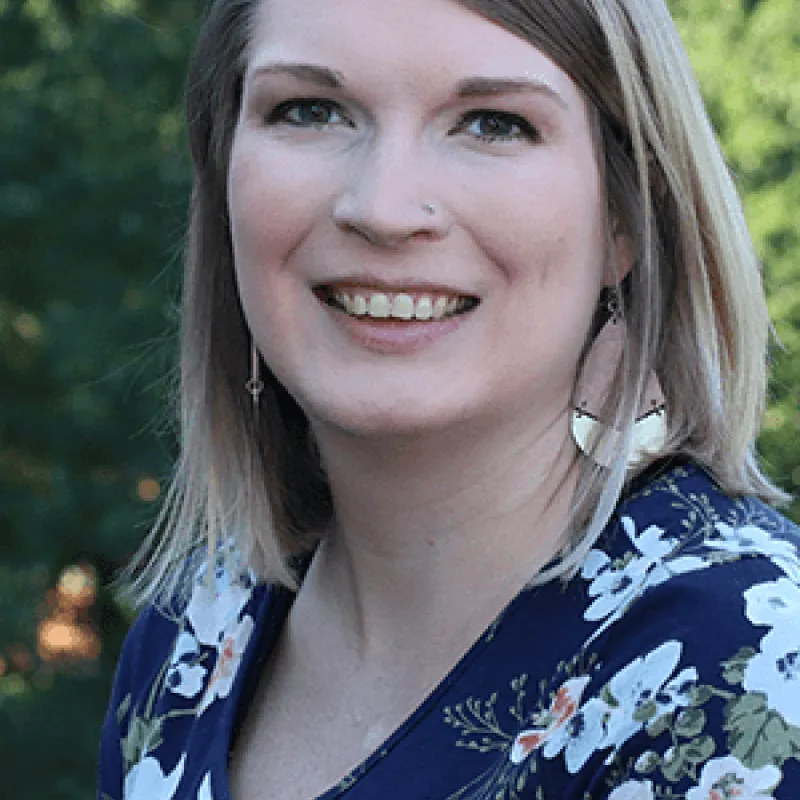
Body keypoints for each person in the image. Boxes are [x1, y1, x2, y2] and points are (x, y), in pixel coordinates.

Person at [97, 0, 800, 797]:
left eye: (493, 124)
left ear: (624, 219)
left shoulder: (741, 671)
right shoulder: (189, 641)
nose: (384, 209)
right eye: (311, 110)